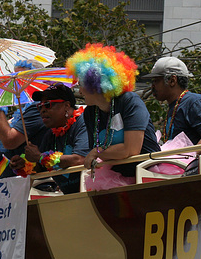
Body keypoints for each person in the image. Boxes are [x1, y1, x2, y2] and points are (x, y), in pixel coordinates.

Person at [66, 43, 160, 189]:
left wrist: (96, 152)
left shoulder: (129, 101)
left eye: (82, 84)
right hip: (115, 177)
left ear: (95, 84)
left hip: (147, 174)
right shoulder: (90, 113)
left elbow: (130, 150)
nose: (81, 91)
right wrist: (96, 153)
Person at [12, 84, 90, 194]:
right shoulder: (51, 134)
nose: (42, 110)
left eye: (48, 105)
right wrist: (24, 165)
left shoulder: (83, 122)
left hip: (92, 194)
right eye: (40, 106)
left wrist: (39, 157)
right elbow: (41, 166)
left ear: (66, 106)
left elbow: (79, 160)